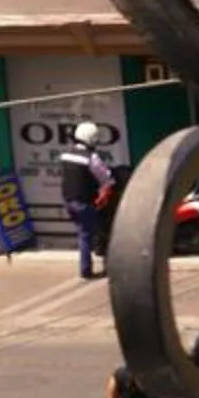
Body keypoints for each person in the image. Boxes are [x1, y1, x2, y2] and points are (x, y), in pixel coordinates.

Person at [58, 120, 113, 281]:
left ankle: (89, 266)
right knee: (91, 234)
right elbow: (106, 178)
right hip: (85, 203)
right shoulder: (91, 158)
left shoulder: (66, 155)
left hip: (69, 201)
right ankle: (87, 270)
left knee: (84, 233)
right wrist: (106, 190)